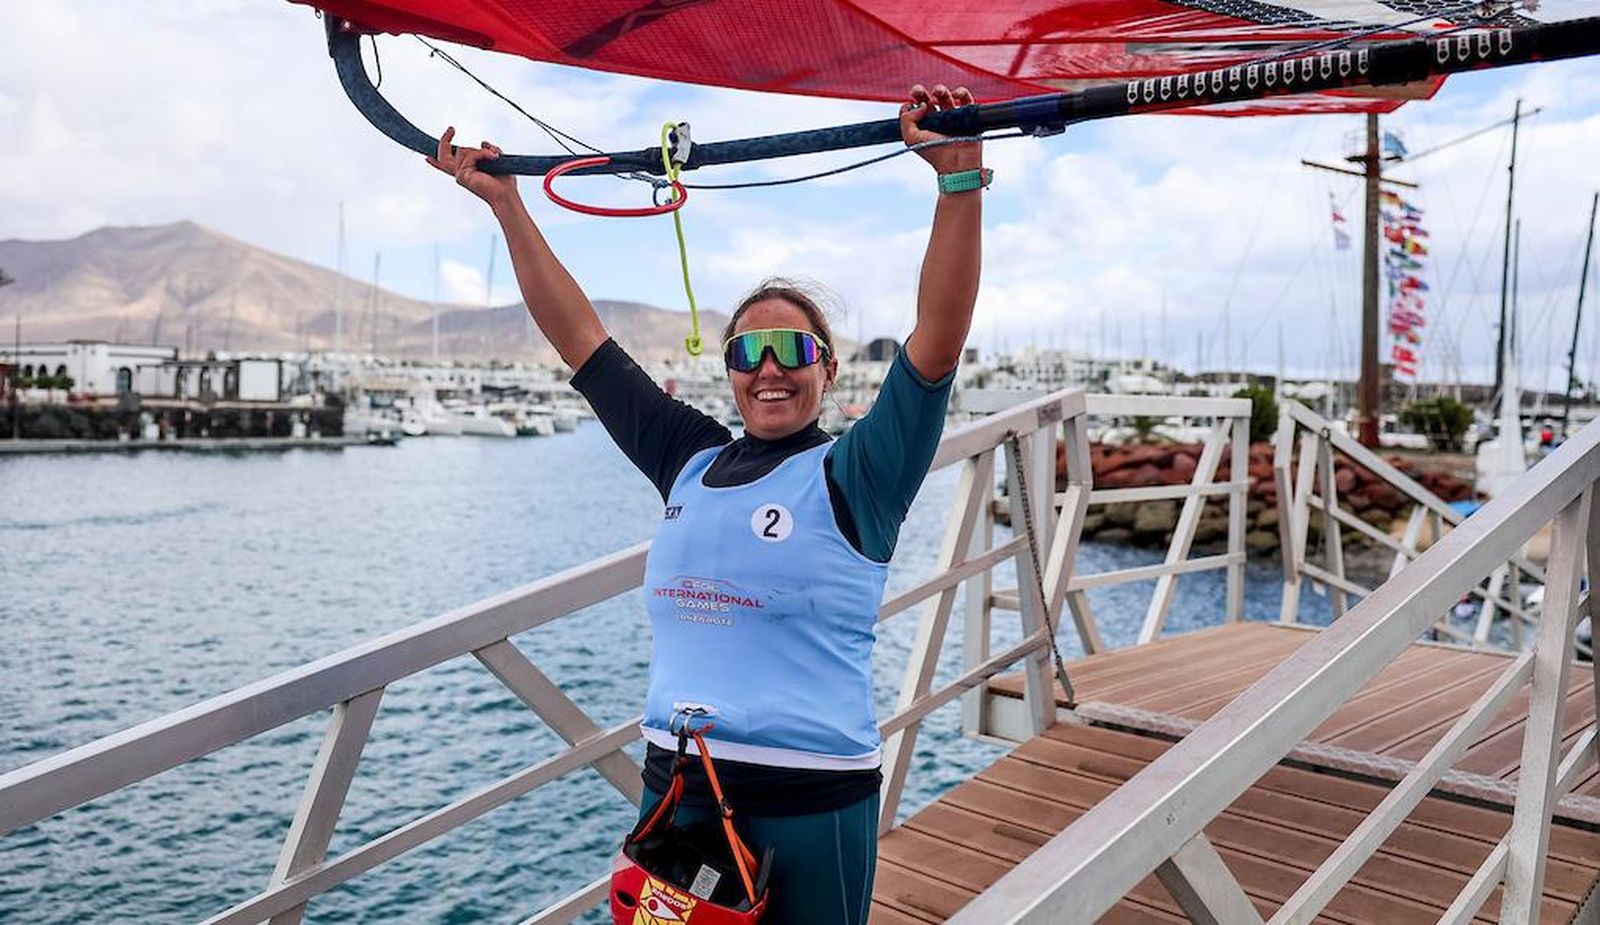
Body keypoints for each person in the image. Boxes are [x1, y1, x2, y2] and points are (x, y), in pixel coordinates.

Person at [429, 83, 985, 925]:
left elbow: (936, 343)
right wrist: (508, 207)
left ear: (827, 370)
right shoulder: (687, 456)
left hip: (809, 802)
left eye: (793, 348)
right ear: (727, 368)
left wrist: (956, 183)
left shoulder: (858, 471)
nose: (769, 367)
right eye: (747, 350)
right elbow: (580, 340)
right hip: (676, 794)